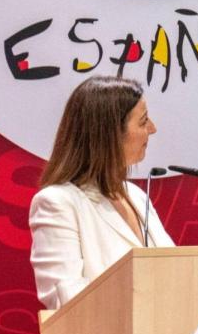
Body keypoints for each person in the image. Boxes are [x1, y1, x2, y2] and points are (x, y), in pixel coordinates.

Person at [29, 76, 174, 310]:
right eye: (143, 121)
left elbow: (173, 274)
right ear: (110, 134)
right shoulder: (57, 203)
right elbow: (67, 301)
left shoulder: (135, 195)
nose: (153, 128)